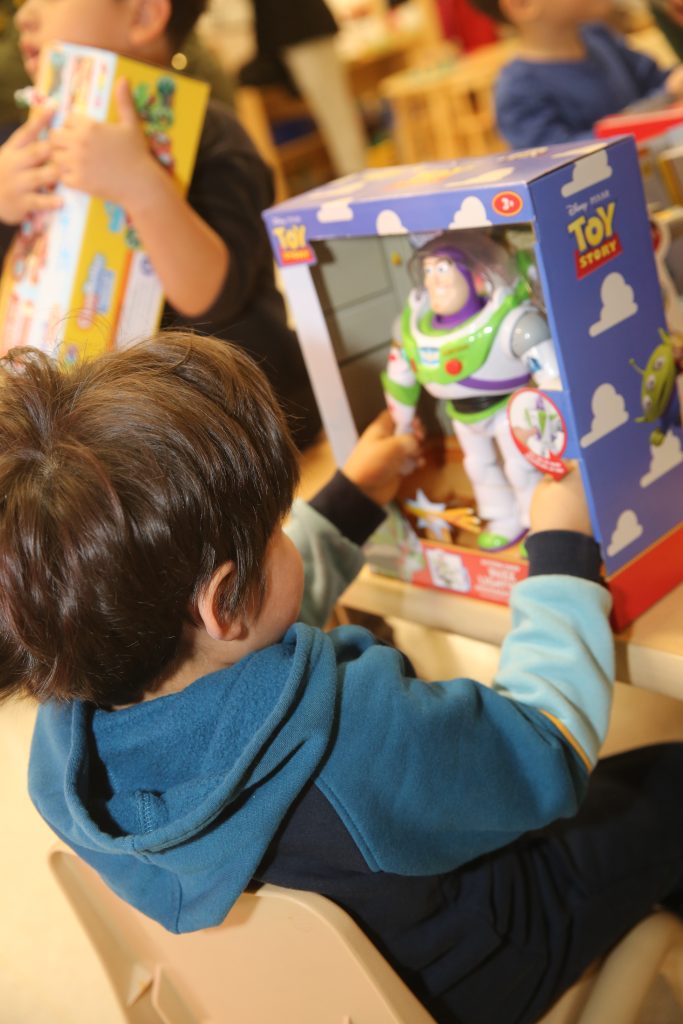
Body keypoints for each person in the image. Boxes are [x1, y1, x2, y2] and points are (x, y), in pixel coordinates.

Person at [3, 331, 683, 1024]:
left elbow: (242, 652)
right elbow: (545, 746)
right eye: (276, 527)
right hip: (482, 958)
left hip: (320, 998)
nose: (286, 533)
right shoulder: (357, 738)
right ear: (223, 600)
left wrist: (347, 503)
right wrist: (562, 552)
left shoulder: (72, 738)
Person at [0, 0, 321, 448]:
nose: (23, 16)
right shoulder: (20, 146)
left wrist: (140, 184)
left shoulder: (215, 137)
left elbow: (211, 293)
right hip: (93, 446)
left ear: (145, 15)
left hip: (219, 437)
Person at [382, 231, 559, 550]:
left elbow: (551, 376)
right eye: (428, 271)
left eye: (443, 270)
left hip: (511, 409)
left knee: (522, 467)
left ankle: (539, 523)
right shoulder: (412, 329)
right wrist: (403, 426)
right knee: (478, 467)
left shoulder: (512, 323)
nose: (434, 281)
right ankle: (502, 518)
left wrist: (555, 412)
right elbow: (400, 379)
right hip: (462, 416)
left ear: (477, 279)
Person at [470, 0, 683, 148]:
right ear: (523, 4)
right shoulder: (518, 89)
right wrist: (664, 96)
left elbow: (656, 80)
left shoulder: (599, 37)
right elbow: (565, 160)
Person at [238, 0, 367, 177]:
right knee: (333, 110)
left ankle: (356, 175)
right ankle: (354, 174)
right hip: (286, 34)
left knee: (335, 111)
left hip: (304, 29)